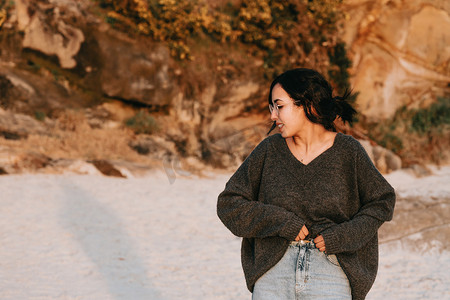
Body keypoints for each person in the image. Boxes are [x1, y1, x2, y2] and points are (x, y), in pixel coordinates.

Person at [217, 68, 396, 300]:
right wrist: (280, 221)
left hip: (331, 272)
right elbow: (229, 204)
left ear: (308, 105)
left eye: (279, 106)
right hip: (273, 272)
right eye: (272, 107)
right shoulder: (269, 151)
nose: (273, 116)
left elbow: (382, 202)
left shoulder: (348, 152)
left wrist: (343, 237)